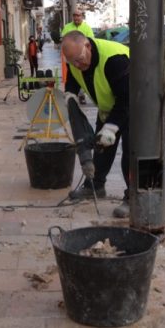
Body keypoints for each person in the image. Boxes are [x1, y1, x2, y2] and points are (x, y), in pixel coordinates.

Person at [62, 31, 131, 218]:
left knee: (132, 153)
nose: (78, 65)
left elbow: (127, 98)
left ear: (88, 46)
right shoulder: (76, 59)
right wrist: (70, 95)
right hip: (109, 107)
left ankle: (134, 197)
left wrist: (112, 127)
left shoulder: (114, 60)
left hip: (136, 107)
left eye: (80, 59)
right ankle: (95, 186)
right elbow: (72, 79)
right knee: (101, 148)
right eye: (72, 62)